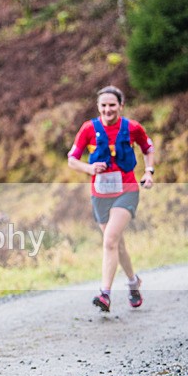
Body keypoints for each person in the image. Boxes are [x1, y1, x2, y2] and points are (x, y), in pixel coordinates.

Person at [67, 85, 155, 312]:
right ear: (98, 107)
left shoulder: (132, 127)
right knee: (117, 244)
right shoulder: (88, 129)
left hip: (127, 191)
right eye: (103, 105)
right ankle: (134, 282)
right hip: (100, 194)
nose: (108, 110)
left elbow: (148, 148)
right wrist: (89, 167)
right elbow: (72, 160)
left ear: (121, 106)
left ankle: (105, 293)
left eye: (112, 105)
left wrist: (149, 172)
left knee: (110, 239)